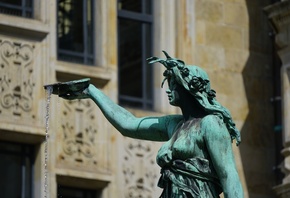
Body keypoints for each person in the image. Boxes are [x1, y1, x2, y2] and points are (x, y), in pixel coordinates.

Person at [60, 51, 243, 198]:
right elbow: (128, 124)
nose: (168, 90)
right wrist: (92, 91)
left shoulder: (211, 124)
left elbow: (229, 175)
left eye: (173, 84)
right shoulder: (174, 125)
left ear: (188, 88)